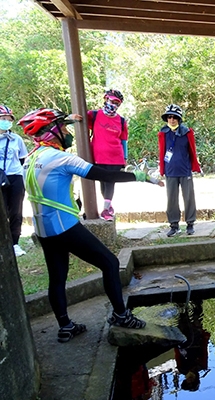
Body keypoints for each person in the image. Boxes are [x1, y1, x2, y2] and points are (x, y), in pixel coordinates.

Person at [17, 108, 161, 342]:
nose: (66, 131)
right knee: (110, 263)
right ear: (51, 132)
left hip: (43, 230)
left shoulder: (32, 158)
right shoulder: (61, 157)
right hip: (65, 228)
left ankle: (65, 326)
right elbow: (105, 175)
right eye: (62, 127)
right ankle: (121, 315)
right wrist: (142, 177)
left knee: (57, 277)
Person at [158, 104, 201, 237]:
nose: (172, 120)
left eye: (174, 117)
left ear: (179, 118)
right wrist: (162, 169)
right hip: (170, 171)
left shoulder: (187, 132)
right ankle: (174, 225)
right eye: (169, 117)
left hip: (185, 170)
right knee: (171, 199)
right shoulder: (163, 133)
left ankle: (190, 224)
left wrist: (194, 166)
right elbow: (161, 152)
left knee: (188, 198)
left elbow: (192, 150)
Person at [87, 89, 128, 221]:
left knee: (110, 181)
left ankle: (105, 209)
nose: (113, 104)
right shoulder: (94, 115)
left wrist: (125, 157)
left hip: (115, 156)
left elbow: (123, 140)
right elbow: (82, 122)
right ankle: (108, 206)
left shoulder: (121, 121)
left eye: (117, 103)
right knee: (102, 182)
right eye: (112, 101)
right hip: (98, 156)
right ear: (105, 99)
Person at [0, 105, 28, 256]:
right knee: (2, 211)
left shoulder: (16, 139)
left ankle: (15, 243)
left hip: (15, 176)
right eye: (2, 119)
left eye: (8, 119)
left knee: (16, 210)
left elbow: (22, 158)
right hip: (0, 177)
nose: (5, 122)